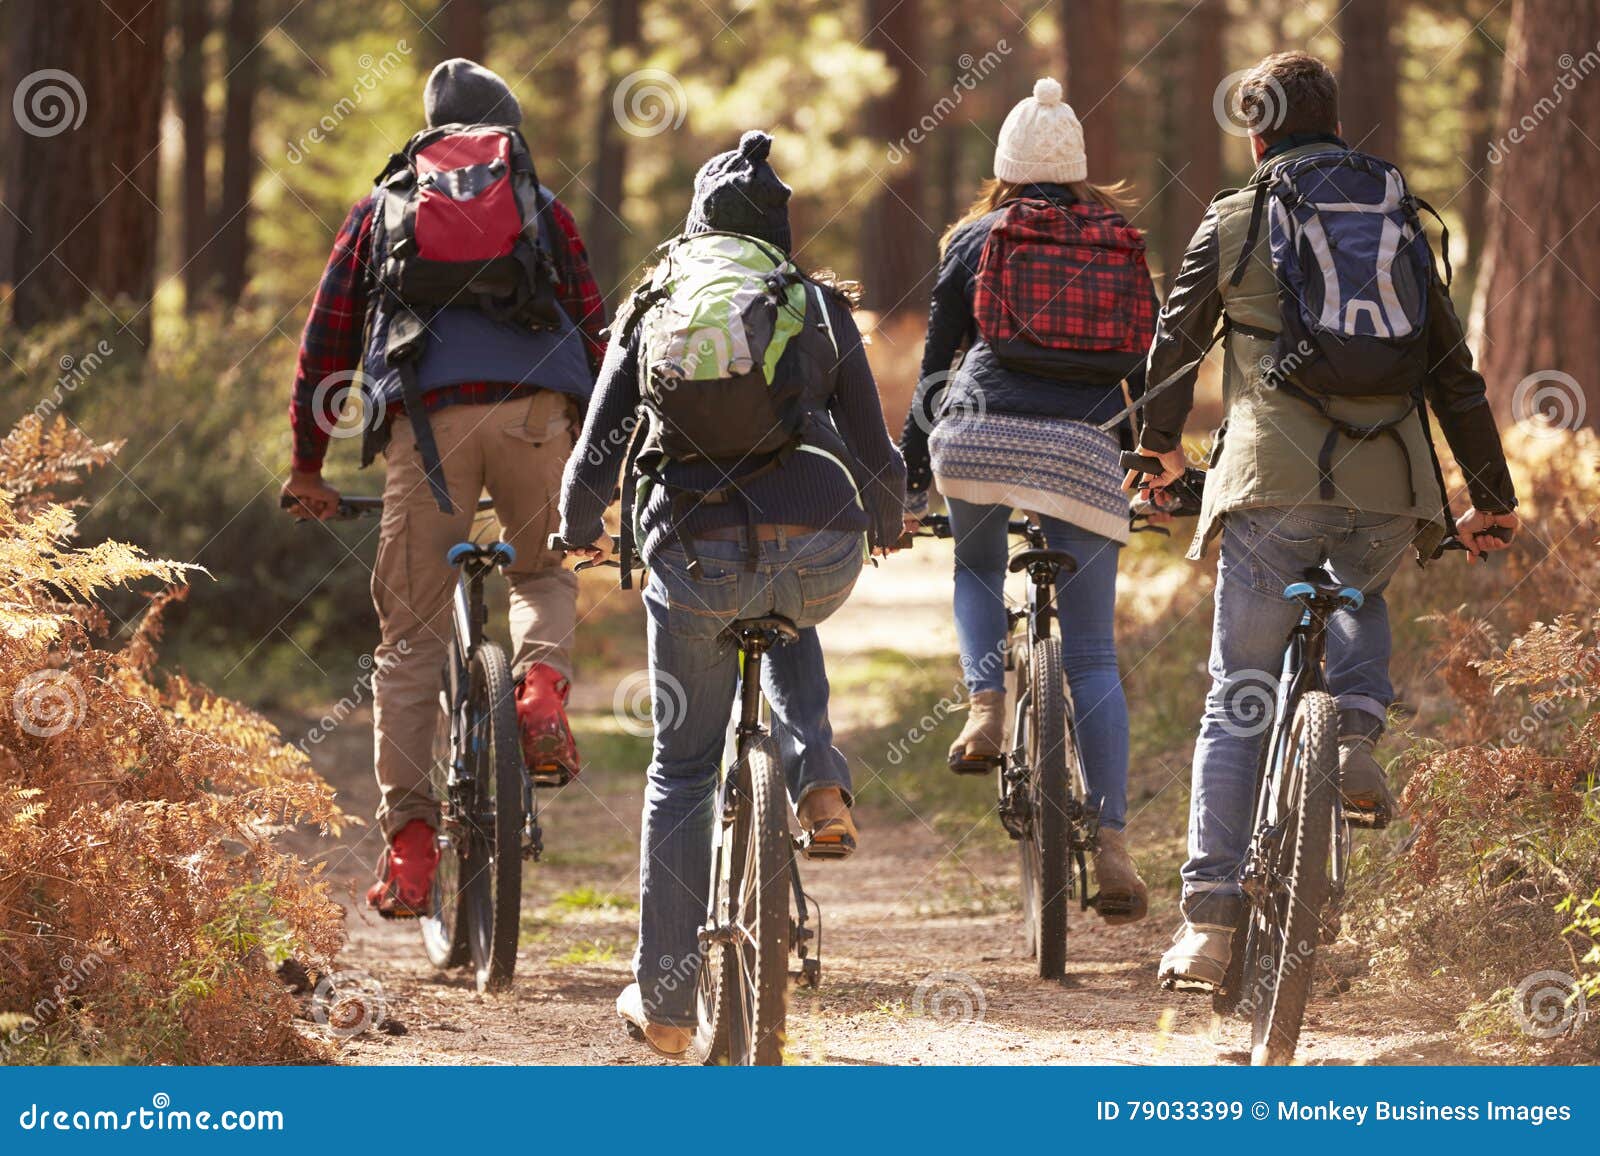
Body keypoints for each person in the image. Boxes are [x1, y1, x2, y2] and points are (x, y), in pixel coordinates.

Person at [1133, 52, 1520, 990]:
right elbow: (1453, 375)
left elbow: (1172, 353)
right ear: (1336, 124)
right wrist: (1492, 497)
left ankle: (1211, 923)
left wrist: (1163, 457)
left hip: (1272, 485)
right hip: (1393, 487)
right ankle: (1352, 729)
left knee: (1240, 698)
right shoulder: (1396, 219)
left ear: (1257, 132)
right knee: (1360, 583)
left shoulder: (1236, 217)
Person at [557, 130, 906, 1056]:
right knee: (785, 601)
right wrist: (890, 517)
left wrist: (574, 525)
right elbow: (875, 451)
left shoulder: (656, 300)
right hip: (820, 543)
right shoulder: (816, 303)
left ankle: (666, 1005)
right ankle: (816, 776)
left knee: (681, 768)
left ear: (695, 224)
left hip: (693, 550)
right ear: (777, 231)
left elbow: (597, 450)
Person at [281, 59, 607, 918]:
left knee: (411, 640)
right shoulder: (540, 206)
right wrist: (601, 463)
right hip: (539, 414)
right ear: (506, 131)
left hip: (425, 426)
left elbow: (328, 346)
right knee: (539, 572)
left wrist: (308, 465)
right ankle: (539, 693)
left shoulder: (381, 208)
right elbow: (599, 335)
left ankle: (412, 843)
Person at [899, 78, 1154, 924]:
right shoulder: (1119, 244)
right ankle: (1112, 844)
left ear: (1004, 169)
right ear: (1080, 171)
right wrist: (1152, 459)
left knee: (976, 564)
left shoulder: (976, 237)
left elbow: (938, 369)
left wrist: (907, 477)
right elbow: (1141, 370)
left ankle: (983, 706)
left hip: (977, 436)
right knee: (1091, 655)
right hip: (1086, 448)